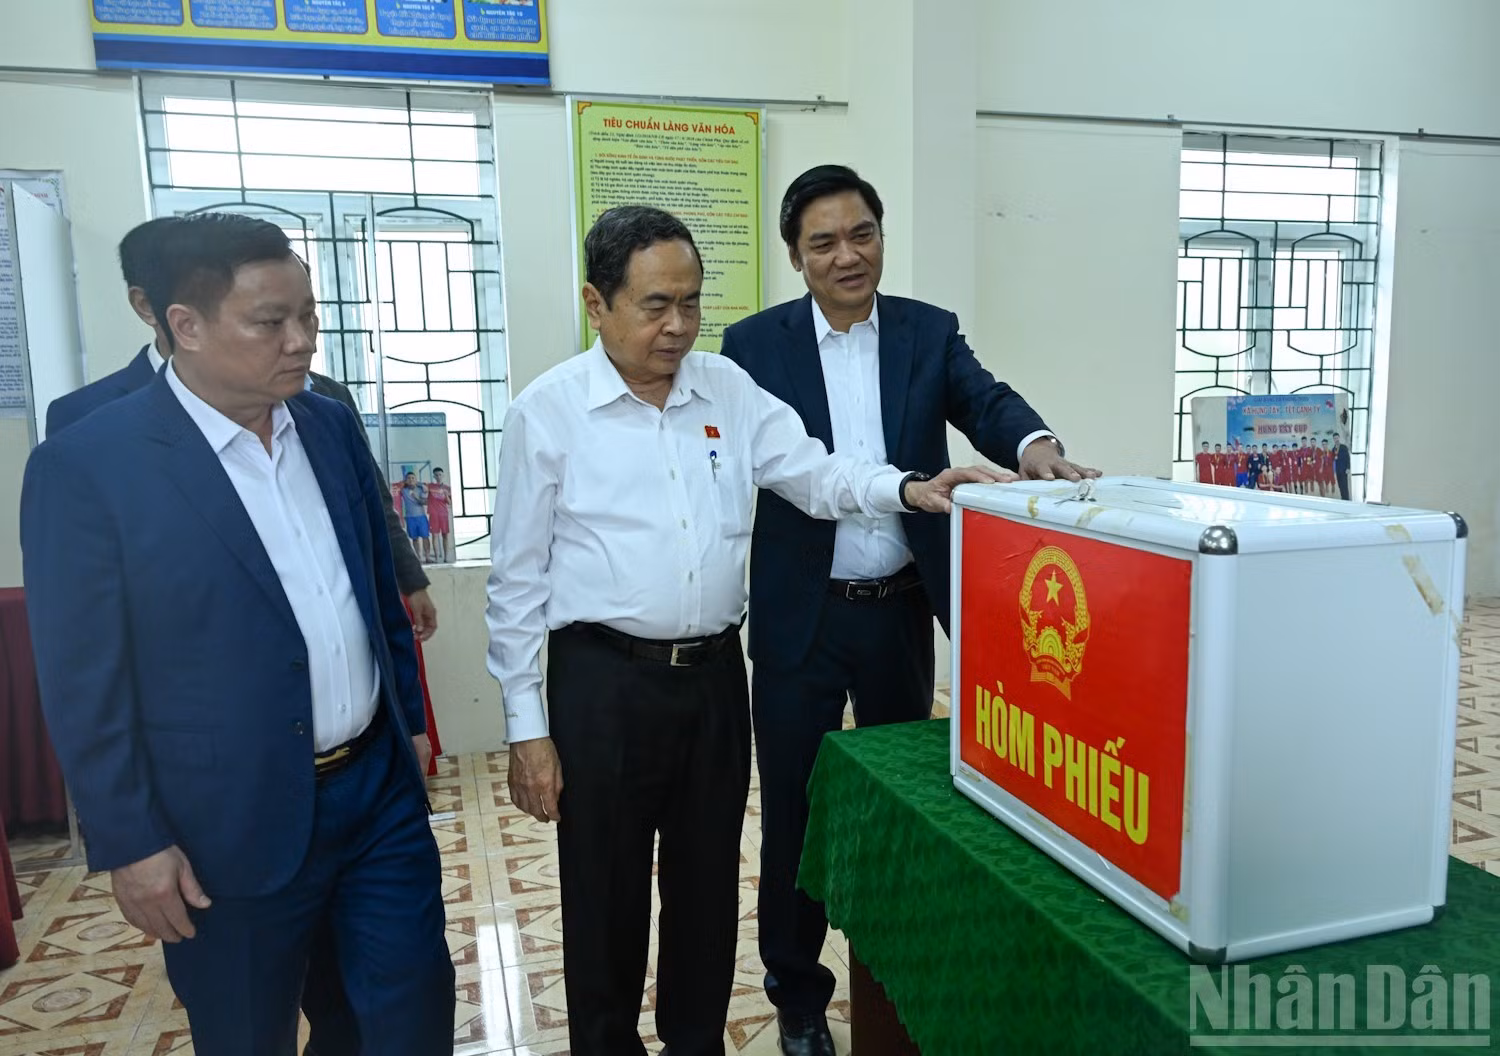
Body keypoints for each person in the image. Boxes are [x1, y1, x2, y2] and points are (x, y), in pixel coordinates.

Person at [486, 205, 1009, 1056]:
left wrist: (906, 488)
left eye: (691, 303)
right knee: (604, 895)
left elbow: (813, 471)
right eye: (655, 305)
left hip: (715, 679)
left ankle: (696, 1043)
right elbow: (515, 583)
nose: (679, 326)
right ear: (596, 303)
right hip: (602, 682)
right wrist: (525, 726)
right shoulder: (547, 415)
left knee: (704, 891)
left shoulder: (724, 390)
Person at [21, 214, 454, 1055]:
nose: (300, 343)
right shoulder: (90, 464)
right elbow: (82, 680)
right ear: (182, 324)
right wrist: (131, 842)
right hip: (224, 825)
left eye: (310, 319)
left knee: (405, 1020)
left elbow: (371, 585)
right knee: (249, 1034)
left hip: (373, 798)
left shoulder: (326, 426)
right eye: (270, 323)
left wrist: (405, 724)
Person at [720, 164, 1098, 1055]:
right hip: (798, 619)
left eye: (862, 234)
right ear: (795, 256)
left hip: (897, 613)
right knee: (798, 814)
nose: (847, 255)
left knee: (906, 810)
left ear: (881, 237)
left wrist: (1035, 443)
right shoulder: (751, 347)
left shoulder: (928, 332)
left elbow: (985, 401)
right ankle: (800, 997)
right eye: (824, 242)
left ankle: (892, 979)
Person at [401, 471, 431, 562]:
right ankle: (418, 557)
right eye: (409, 478)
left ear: (416, 480)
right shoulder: (403, 491)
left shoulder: (421, 489)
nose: (411, 480)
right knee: (414, 538)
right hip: (410, 518)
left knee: (425, 537)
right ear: (406, 480)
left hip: (421, 516)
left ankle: (427, 557)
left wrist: (415, 496)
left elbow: (424, 503)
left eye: (413, 478)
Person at [427, 467, 453, 562]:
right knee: (434, 535)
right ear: (434, 476)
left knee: (445, 535)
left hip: (444, 514)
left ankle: (446, 557)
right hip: (433, 514)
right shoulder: (429, 486)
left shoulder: (447, 488)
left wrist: (446, 495)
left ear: (443, 475)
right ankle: (437, 557)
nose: (438, 477)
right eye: (436, 475)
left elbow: (449, 503)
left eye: (440, 475)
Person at [1333, 433, 1352, 500]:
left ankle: (1346, 499)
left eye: (1337, 438)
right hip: (1338, 471)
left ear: (1339, 438)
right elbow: (1333, 460)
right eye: (1335, 438)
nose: (1336, 439)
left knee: (1344, 486)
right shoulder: (1333, 449)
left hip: (1344, 470)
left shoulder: (1344, 447)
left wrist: (1348, 468)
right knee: (1340, 486)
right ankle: (1343, 499)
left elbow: (1348, 458)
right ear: (1333, 440)